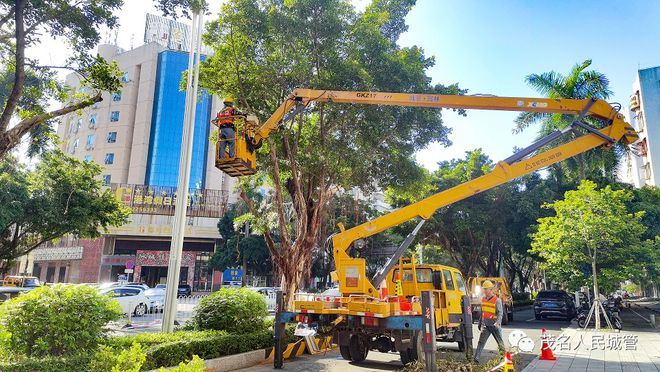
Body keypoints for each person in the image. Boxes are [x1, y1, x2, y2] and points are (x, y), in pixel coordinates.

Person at [474, 280, 506, 362]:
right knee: (481, 342)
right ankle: (476, 358)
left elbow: (500, 313)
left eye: (486, 289)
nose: (484, 290)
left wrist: (498, 322)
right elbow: (483, 312)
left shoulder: (497, 300)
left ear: (490, 289)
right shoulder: (483, 299)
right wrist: (480, 322)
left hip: (494, 325)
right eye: (483, 289)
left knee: (500, 343)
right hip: (486, 325)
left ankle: (503, 358)